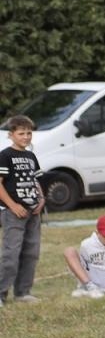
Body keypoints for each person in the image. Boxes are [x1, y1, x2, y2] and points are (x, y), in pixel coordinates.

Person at [0, 115, 46, 308]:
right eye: (21, 133)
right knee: (11, 254)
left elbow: (35, 180)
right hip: (13, 213)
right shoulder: (5, 155)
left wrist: (41, 200)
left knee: (31, 252)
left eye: (29, 133)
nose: (26, 137)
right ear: (11, 135)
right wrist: (13, 205)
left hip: (33, 212)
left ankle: (23, 292)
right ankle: (1, 294)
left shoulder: (30, 156)